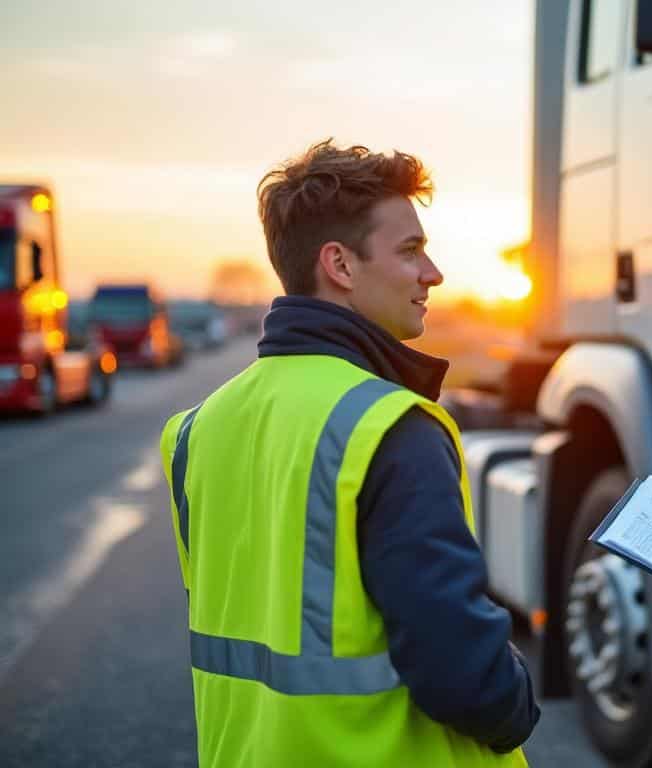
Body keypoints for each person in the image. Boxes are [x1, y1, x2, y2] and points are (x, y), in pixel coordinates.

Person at [160, 140, 539, 767]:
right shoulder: (390, 427)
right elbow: (465, 676)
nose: (433, 274)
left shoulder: (196, 430)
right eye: (410, 250)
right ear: (339, 264)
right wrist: (518, 697)